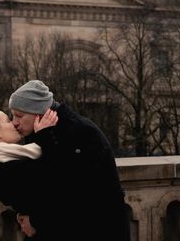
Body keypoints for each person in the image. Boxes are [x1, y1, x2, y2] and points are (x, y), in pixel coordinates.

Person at [9, 79, 131, 241]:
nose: (14, 122)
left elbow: (74, 196)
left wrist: (36, 221)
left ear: (38, 113)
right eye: (12, 115)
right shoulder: (41, 133)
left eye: (19, 115)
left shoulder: (80, 133)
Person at [0, 106, 58, 239]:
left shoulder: (2, 163)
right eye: (7, 121)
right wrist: (44, 135)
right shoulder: (4, 169)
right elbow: (50, 180)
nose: (14, 123)